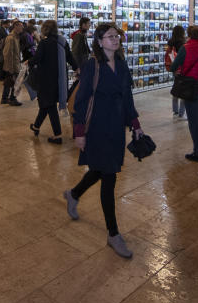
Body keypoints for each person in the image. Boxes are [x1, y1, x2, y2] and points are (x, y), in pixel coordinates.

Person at [62, 22, 146, 259]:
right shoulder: (92, 66)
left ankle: (74, 194)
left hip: (116, 127)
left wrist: (135, 123)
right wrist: (79, 132)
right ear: (99, 42)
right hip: (97, 127)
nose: (115, 39)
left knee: (101, 169)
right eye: (109, 36)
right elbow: (82, 99)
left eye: (116, 36)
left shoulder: (121, 63)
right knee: (108, 176)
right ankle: (113, 233)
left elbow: (127, 96)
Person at [171, 24, 198, 163]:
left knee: (193, 120)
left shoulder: (185, 48)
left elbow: (173, 66)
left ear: (189, 36)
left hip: (191, 87)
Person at [29, 19, 77, 144]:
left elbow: (38, 58)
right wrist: (77, 68)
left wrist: (28, 62)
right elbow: (70, 57)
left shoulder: (44, 43)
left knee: (49, 105)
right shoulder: (62, 42)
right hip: (60, 80)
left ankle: (58, 135)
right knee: (46, 104)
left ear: (45, 29)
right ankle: (36, 126)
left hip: (46, 80)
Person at [0, 21, 24, 106]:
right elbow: (7, 53)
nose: (22, 28)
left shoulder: (16, 37)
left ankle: (4, 98)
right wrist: (10, 67)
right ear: (15, 26)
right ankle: (12, 98)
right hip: (12, 65)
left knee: (9, 81)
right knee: (14, 82)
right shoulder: (11, 38)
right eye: (21, 26)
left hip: (14, 63)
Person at [164, 25, 186, 118]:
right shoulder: (183, 42)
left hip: (174, 66)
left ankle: (175, 110)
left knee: (176, 87)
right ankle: (181, 112)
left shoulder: (170, 41)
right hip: (182, 67)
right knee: (184, 90)